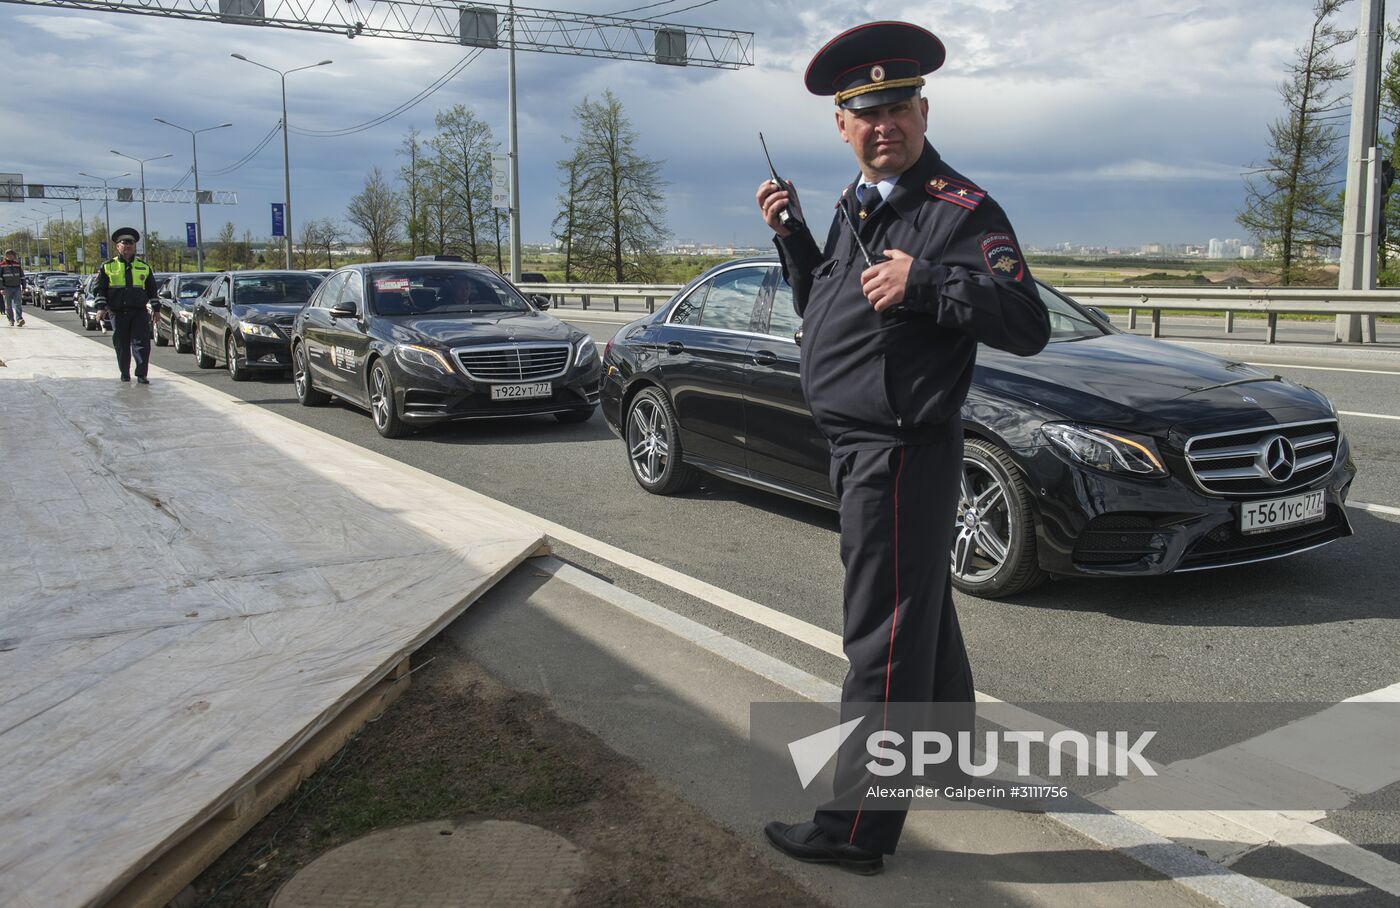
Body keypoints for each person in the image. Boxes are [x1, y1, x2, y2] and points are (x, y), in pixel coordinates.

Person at [755, 21, 1050, 874]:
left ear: (923, 109)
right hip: (857, 442)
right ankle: (950, 754)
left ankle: (854, 829)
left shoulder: (960, 211)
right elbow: (831, 308)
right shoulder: (856, 203)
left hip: (899, 449)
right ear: (840, 125)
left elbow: (1028, 325)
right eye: (865, 112)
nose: (884, 125)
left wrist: (928, 283)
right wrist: (794, 239)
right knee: (918, 611)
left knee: (879, 639)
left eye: (898, 108)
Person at [93, 227, 159, 384]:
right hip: (118, 312)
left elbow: (152, 291)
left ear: (135, 246)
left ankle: (141, 374)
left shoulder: (144, 267)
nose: (128, 246)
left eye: (131, 243)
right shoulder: (108, 267)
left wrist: (156, 310)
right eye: (124, 243)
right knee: (121, 345)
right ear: (117, 246)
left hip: (139, 312)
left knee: (142, 343)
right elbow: (99, 289)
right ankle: (124, 373)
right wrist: (101, 308)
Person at [1, 249, 23, 327]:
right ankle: (11, 319)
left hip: (17, 287)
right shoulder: (2, 265)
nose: (10, 256)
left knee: (18, 304)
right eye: (8, 255)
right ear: (6, 256)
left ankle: (19, 319)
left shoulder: (17, 264)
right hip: (7, 288)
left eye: (12, 255)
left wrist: (24, 287)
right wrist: (1, 288)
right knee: (8, 306)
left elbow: (22, 276)